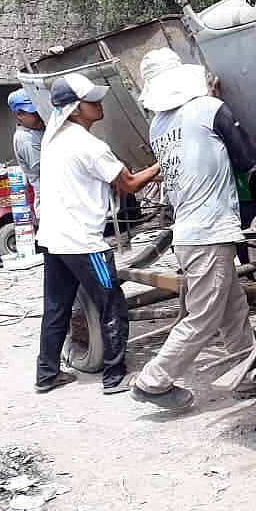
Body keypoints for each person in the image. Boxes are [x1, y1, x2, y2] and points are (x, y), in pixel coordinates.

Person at [131, 47, 256, 409]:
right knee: (204, 316)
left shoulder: (158, 124)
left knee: (234, 311)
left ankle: (250, 374)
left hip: (191, 234)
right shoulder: (208, 109)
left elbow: (202, 148)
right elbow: (248, 160)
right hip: (209, 233)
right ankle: (153, 380)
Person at [35, 74, 161, 394]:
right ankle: (114, 377)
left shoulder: (54, 140)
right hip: (83, 242)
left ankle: (46, 374)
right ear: (76, 110)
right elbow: (129, 184)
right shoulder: (89, 144)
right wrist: (162, 165)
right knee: (112, 304)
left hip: (54, 237)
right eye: (92, 100)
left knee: (56, 308)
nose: (99, 103)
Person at [7, 87, 45, 214]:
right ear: (19, 115)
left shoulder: (38, 130)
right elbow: (43, 168)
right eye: (34, 113)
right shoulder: (25, 139)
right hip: (50, 200)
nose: (39, 115)